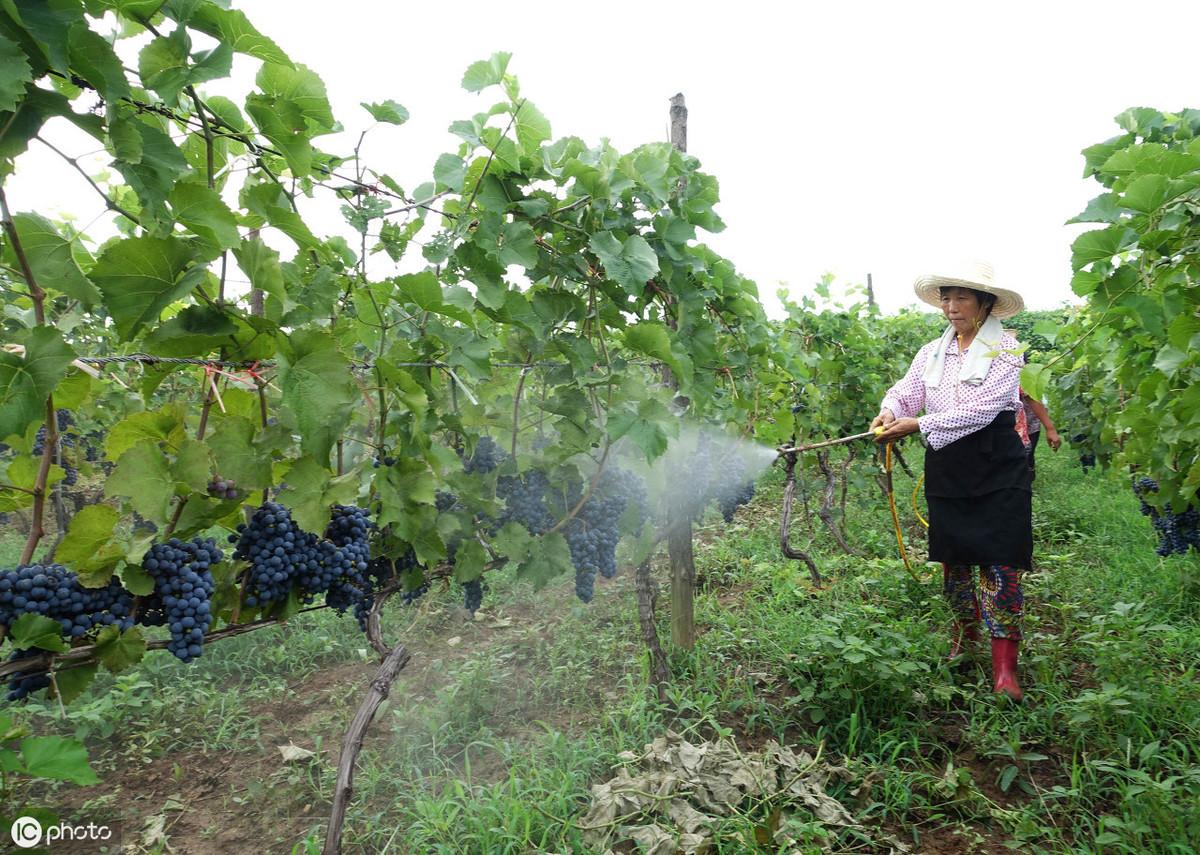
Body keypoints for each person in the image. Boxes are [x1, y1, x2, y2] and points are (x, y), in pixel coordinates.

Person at [871, 263, 1031, 701]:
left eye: (961, 297)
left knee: (1002, 560)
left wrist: (918, 425)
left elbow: (987, 407)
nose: (951, 307)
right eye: (946, 297)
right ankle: (966, 637)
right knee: (955, 560)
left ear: (985, 304)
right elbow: (907, 390)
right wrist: (890, 411)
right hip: (949, 465)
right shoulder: (931, 352)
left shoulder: (1008, 350)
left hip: (997, 463)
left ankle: (1005, 669)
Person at [1019, 388, 1061, 481]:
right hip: (1006, 423)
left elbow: (1030, 395)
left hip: (1028, 422)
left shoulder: (1019, 375)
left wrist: (1050, 428)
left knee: (1025, 457)